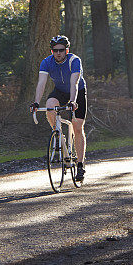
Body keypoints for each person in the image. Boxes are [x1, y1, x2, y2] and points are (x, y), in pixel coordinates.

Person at [30, 35, 87, 182]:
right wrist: (36, 102)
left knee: (77, 127)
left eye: (61, 50)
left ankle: (80, 165)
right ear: (51, 51)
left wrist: (73, 102)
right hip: (60, 91)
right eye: (55, 51)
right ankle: (58, 134)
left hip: (77, 91)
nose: (58, 53)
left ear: (66, 50)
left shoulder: (74, 61)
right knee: (50, 107)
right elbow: (41, 83)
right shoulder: (46, 62)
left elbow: (74, 83)